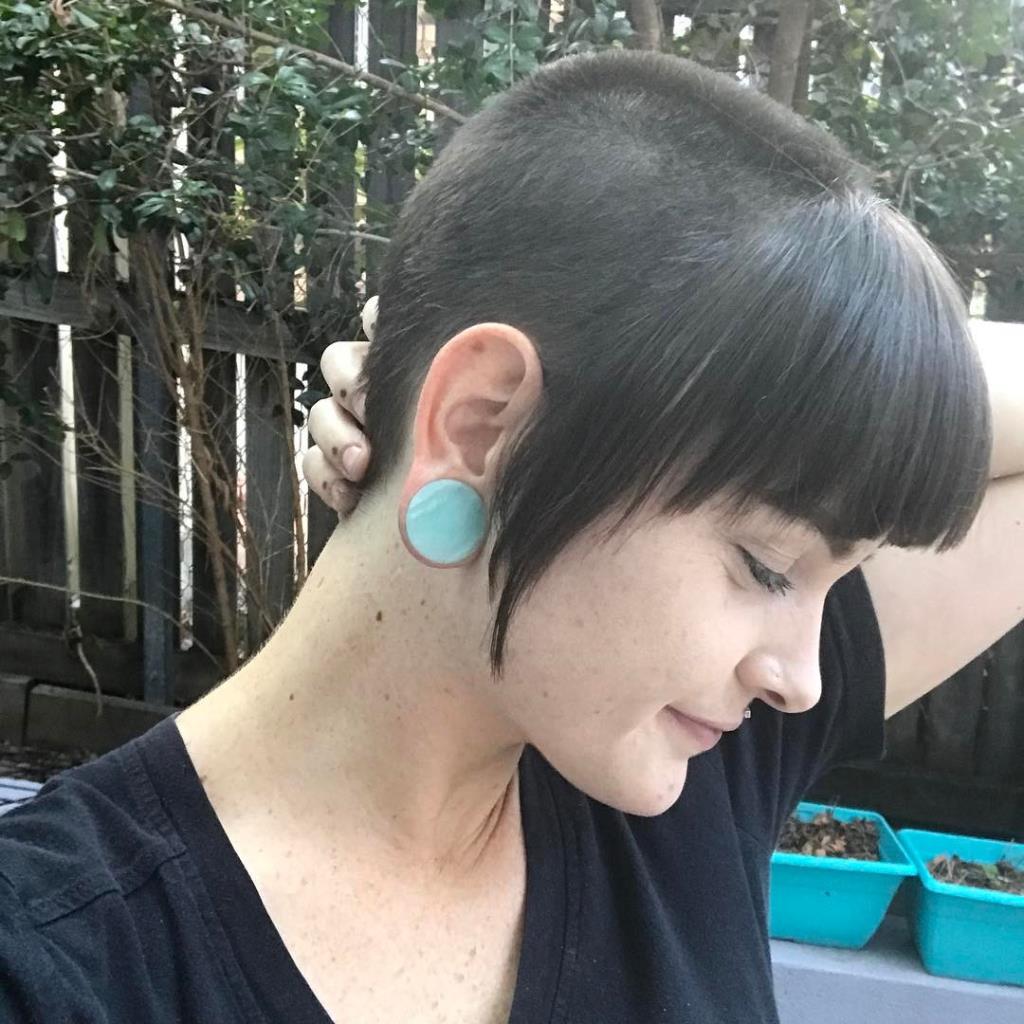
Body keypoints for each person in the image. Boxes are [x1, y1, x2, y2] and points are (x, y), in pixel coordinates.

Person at [2, 49, 1023, 1024]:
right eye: (764, 565)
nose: (801, 678)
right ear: (482, 421)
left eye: (836, 578)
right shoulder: (55, 968)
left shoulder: (687, 757)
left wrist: (855, 388)